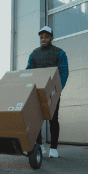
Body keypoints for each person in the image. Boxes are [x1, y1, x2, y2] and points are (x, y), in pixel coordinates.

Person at [26, 26, 69, 158]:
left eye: (46, 37)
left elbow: (63, 72)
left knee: (53, 119)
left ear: (51, 38)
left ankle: (54, 148)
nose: (43, 39)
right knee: (36, 119)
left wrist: (57, 89)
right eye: (41, 37)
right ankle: (39, 145)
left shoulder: (60, 53)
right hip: (37, 92)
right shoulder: (34, 54)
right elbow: (29, 71)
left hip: (53, 92)